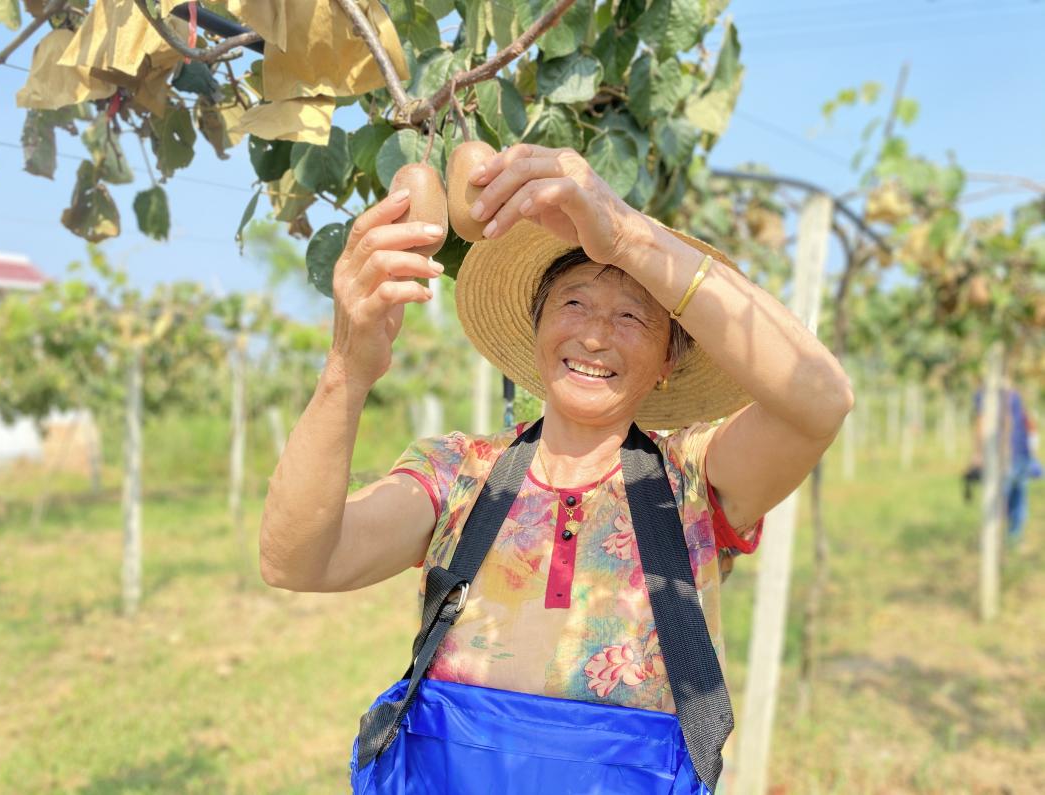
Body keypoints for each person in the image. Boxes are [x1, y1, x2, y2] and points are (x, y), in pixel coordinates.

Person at [259, 144, 854, 793]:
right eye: (574, 303)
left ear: (668, 360)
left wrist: (626, 235)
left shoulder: (691, 482)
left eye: (632, 316)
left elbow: (821, 398)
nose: (595, 335)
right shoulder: (462, 474)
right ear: (537, 324)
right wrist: (347, 369)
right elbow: (297, 560)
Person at [971, 378, 1040, 545]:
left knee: (1009, 498)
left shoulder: (1003, 394)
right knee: (1009, 498)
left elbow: (1023, 420)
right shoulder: (999, 394)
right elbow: (982, 422)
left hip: (1013, 455)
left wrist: (978, 454)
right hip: (1011, 455)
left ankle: (1005, 539)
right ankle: (1002, 539)